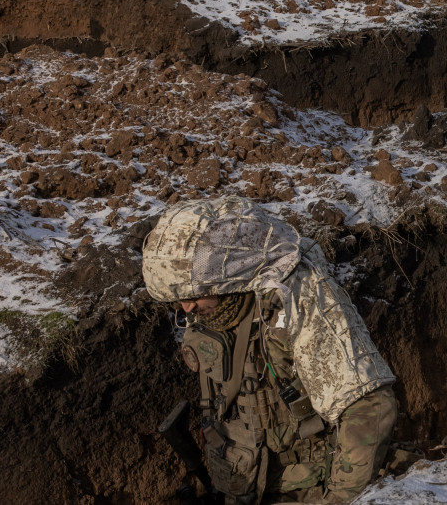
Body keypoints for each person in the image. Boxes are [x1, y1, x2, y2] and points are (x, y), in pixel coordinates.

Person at [141, 196, 398, 504]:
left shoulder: (292, 299)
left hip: (305, 491)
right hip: (239, 486)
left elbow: (371, 409)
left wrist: (338, 500)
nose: (186, 307)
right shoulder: (205, 310)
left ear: (226, 276)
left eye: (194, 295)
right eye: (178, 300)